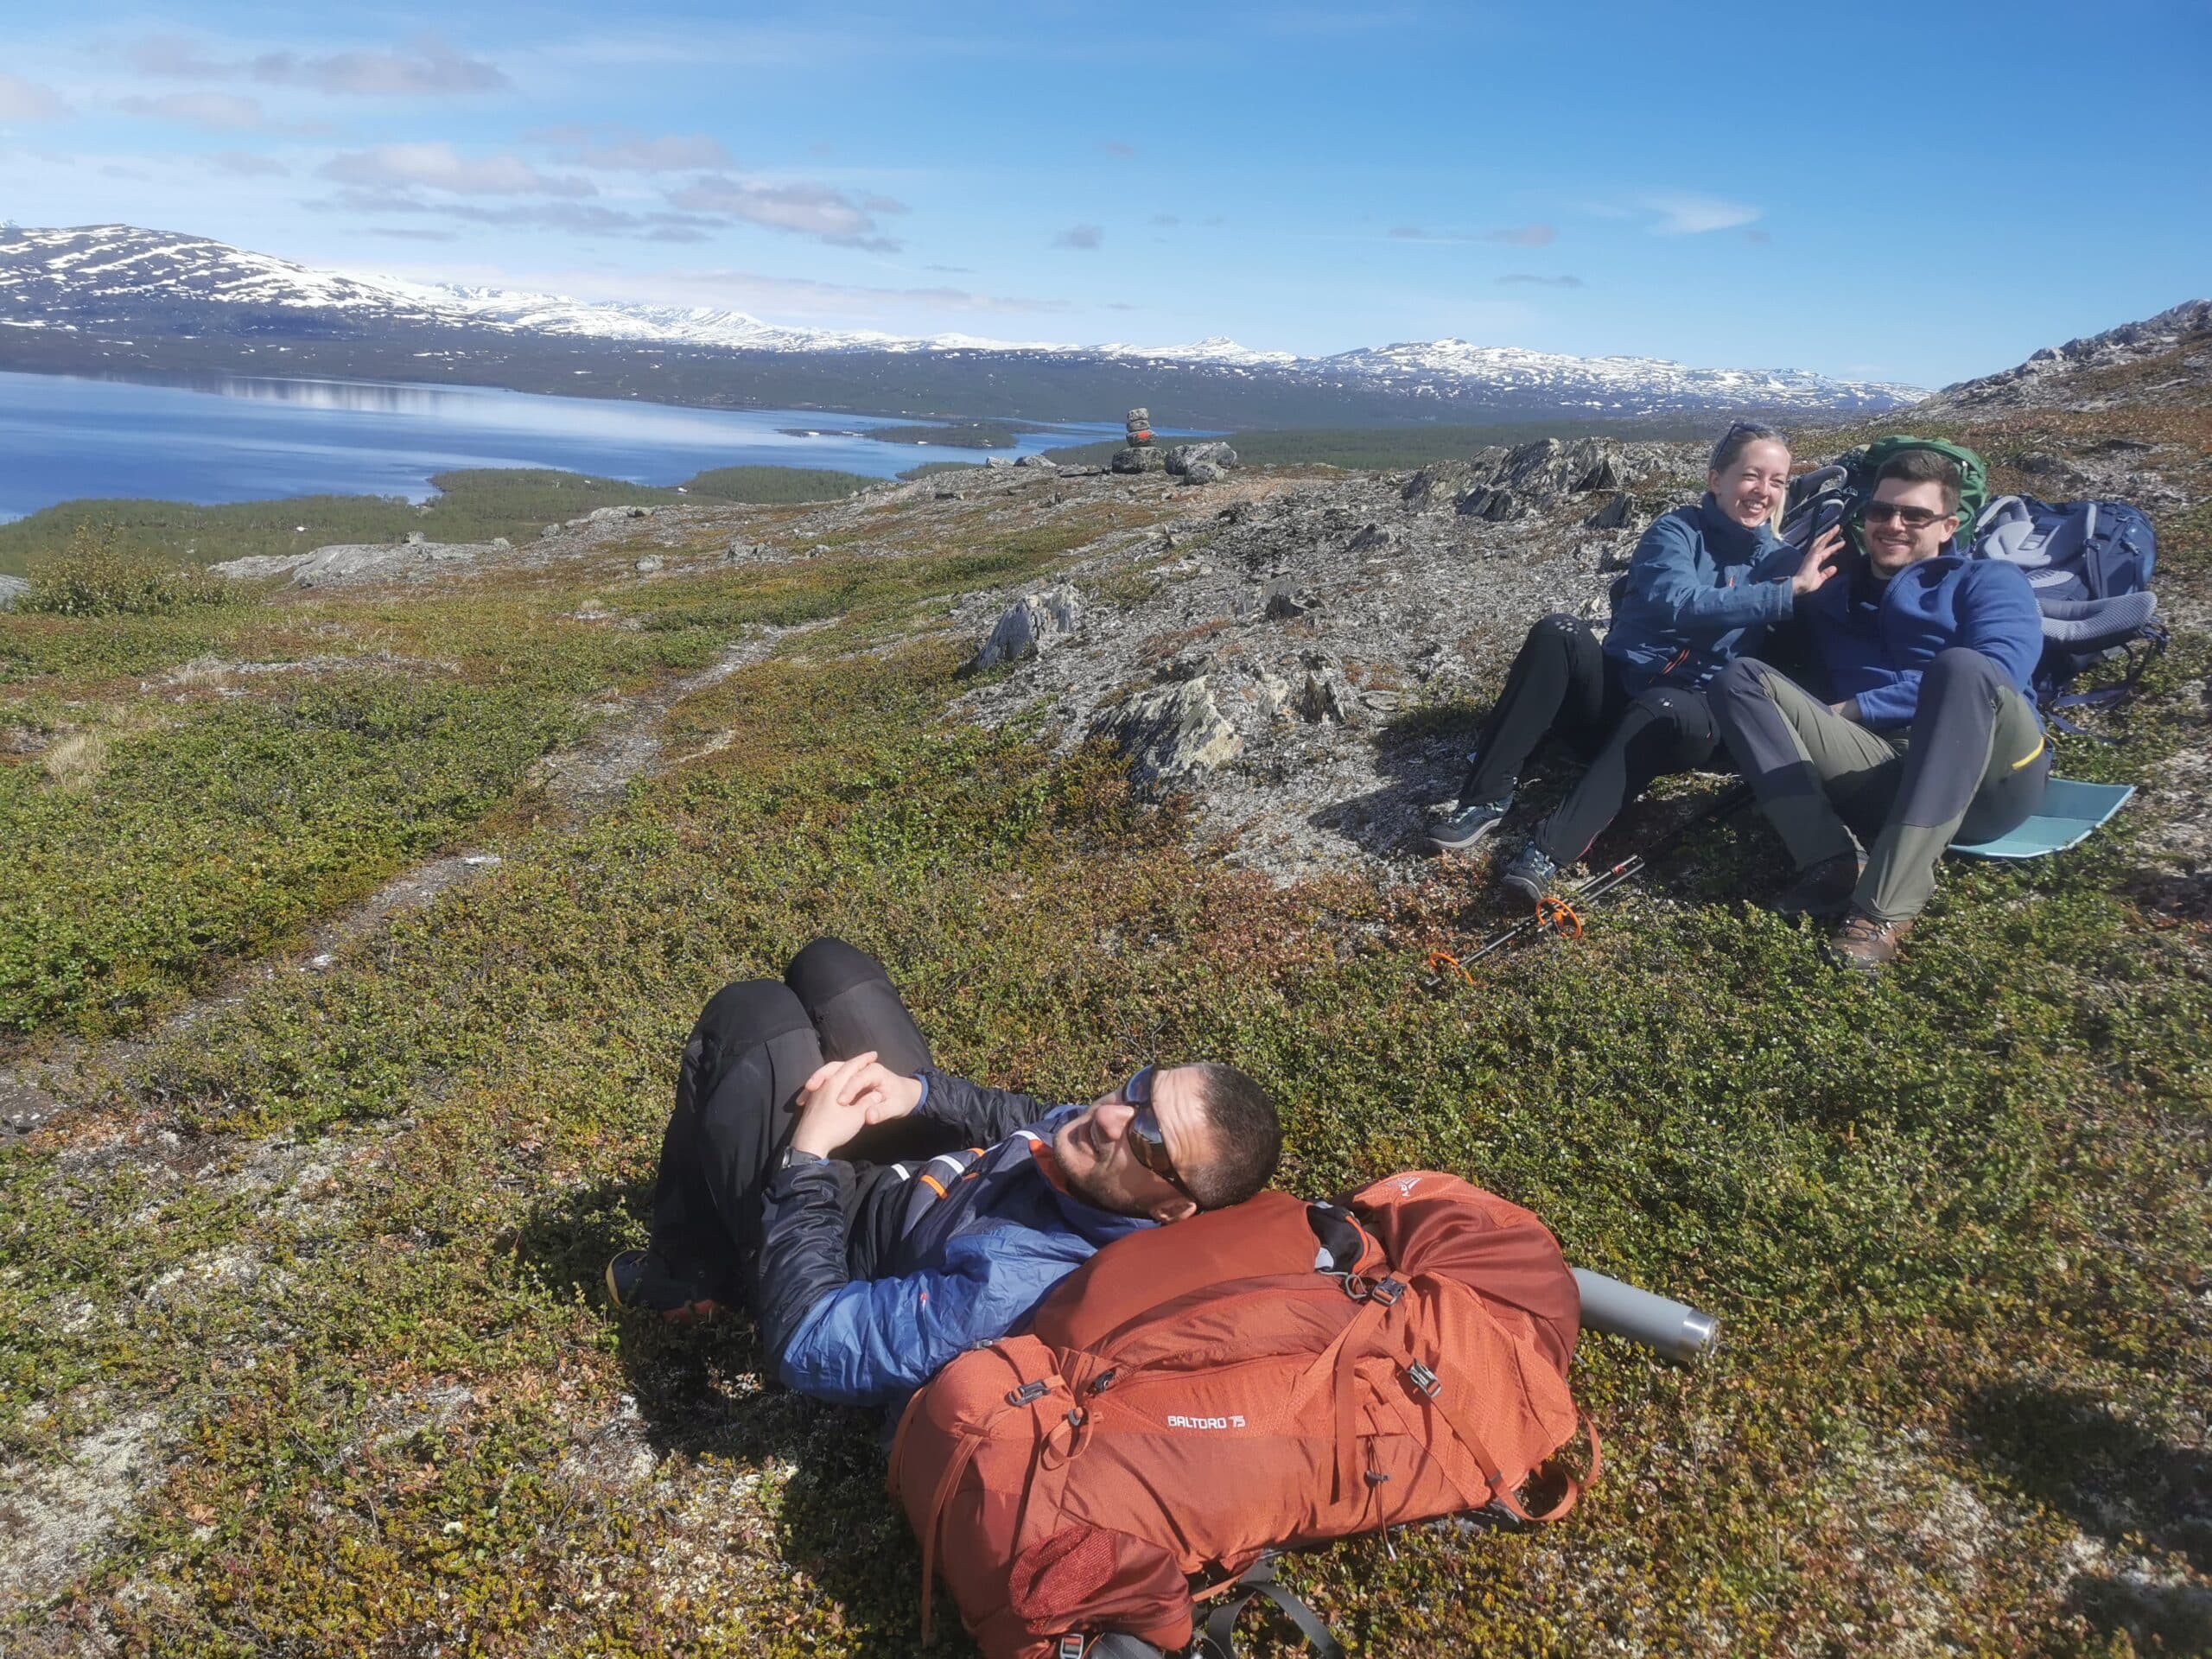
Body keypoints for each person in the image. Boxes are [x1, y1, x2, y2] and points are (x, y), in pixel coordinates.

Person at [606, 938, 1283, 1408]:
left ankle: (691, 1276)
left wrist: (808, 1158)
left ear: (1170, 1211)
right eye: (1141, 1088)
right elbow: (1037, 1115)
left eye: (1150, 1138)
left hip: (846, 1244)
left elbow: (812, 1343)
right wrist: (919, 1096)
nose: (1111, 1116)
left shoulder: (1016, 1284)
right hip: (927, 1177)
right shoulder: (1100, 1148)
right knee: (831, 968)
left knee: (749, 1016)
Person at [1429, 422, 1845, 902]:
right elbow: (1680, 603)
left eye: (1777, 482)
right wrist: (1783, 594)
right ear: (1717, 480)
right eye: (1752, 476)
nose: (1763, 492)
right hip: (1619, 693)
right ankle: (1485, 798)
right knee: (1557, 632)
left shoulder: (1783, 562)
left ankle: (1547, 852)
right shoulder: (1676, 531)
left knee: (1665, 705)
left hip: (1683, 719)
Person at [1710, 444, 2050, 970]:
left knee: (1960, 668)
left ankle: (1883, 910)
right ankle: (1832, 863)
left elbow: (2000, 670)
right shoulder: (1832, 593)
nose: (1893, 524)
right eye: (1880, 511)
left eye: (1915, 514)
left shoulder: (1989, 581)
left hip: (1991, 781)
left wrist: (1858, 708)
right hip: (1879, 770)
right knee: (1739, 679)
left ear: (1948, 526)